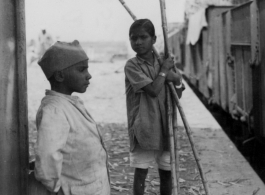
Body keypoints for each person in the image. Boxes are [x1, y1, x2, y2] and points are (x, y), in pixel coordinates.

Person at [34, 40, 110, 195]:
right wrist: (55, 189)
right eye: (82, 70)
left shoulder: (68, 104)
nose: (89, 75)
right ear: (60, 75)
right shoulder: (55, 110)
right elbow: (48, 158)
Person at [124, 19, 184, 195]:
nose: (138, 42)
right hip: (145, 127)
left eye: (143, 37)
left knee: (166, 173)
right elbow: (152, 90)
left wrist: (176, 79)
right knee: (141, 173)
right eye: (133, 38)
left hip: (166, 128)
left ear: (154, 39)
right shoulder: (132, 65)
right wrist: (165, 72)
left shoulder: (163, 61)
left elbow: (177, 92)